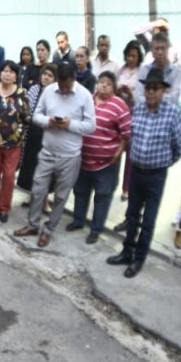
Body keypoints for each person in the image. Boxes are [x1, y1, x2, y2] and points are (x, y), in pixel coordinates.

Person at [107, 68, 181, 277]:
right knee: (132, 216)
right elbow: (130, 137)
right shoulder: (138, 109)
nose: (151, 92)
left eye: (155, 88)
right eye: (148, 88)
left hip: (156, 176)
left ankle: (138, 259)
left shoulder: (172, 113)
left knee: (148, 221)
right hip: (136, 172)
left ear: (163, 91)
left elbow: (179, 147)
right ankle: (127, 253)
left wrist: (162, 163)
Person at [13, 63, 96, 248]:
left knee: (60, 196)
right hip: (47, 152)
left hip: (70, 156)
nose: (64, 90)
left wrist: (70, 124)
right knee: (37, 190)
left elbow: (91, 126)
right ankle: (33, 225)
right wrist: (48, 121)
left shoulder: (84, 95)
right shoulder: (49, 91)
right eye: (61, 85)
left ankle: (49, 229)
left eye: (67, 86)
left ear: (74, 79)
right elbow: (36, 115)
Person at [68, 71, 132, 244]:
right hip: (83, 159)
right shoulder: (87, 99)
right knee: (80, 192)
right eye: (101, 82)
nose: (104, 85)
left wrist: (118, 153)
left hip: (106, 164)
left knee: (102, 196)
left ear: (114, 88)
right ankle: (78, 221)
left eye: (108, 83)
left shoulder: (119, 105)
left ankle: (96, 230)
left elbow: (126, 133)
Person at [0, 61, 30, 223]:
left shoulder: (22, 93)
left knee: (9, 176)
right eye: (5, 71)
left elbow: (27, 117)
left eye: (11, 72)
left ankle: (4, 208)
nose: (7, 74)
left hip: (14, 144)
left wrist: (20, 135)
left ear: (16, 76)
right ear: (0, 73)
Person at [17, 64, 56, 193]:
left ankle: (42, 199)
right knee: (30, 165)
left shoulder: (56, 94)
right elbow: (26, 108)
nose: (46, 77)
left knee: (43, 168)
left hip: (47, 135)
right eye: (44, 74)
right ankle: (31, 195)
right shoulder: (34, 89)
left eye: (50, 76)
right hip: (31, 133)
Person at [135, 33, 181, 106]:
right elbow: (138, 97)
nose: (160, 52)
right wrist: (163, 95)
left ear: (168, 50)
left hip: (168, 111)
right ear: (151, 51)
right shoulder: (144, 70)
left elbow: (174, 99)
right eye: (157, 49)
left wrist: (150, 96)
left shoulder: (176, 72)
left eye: (163, 48)